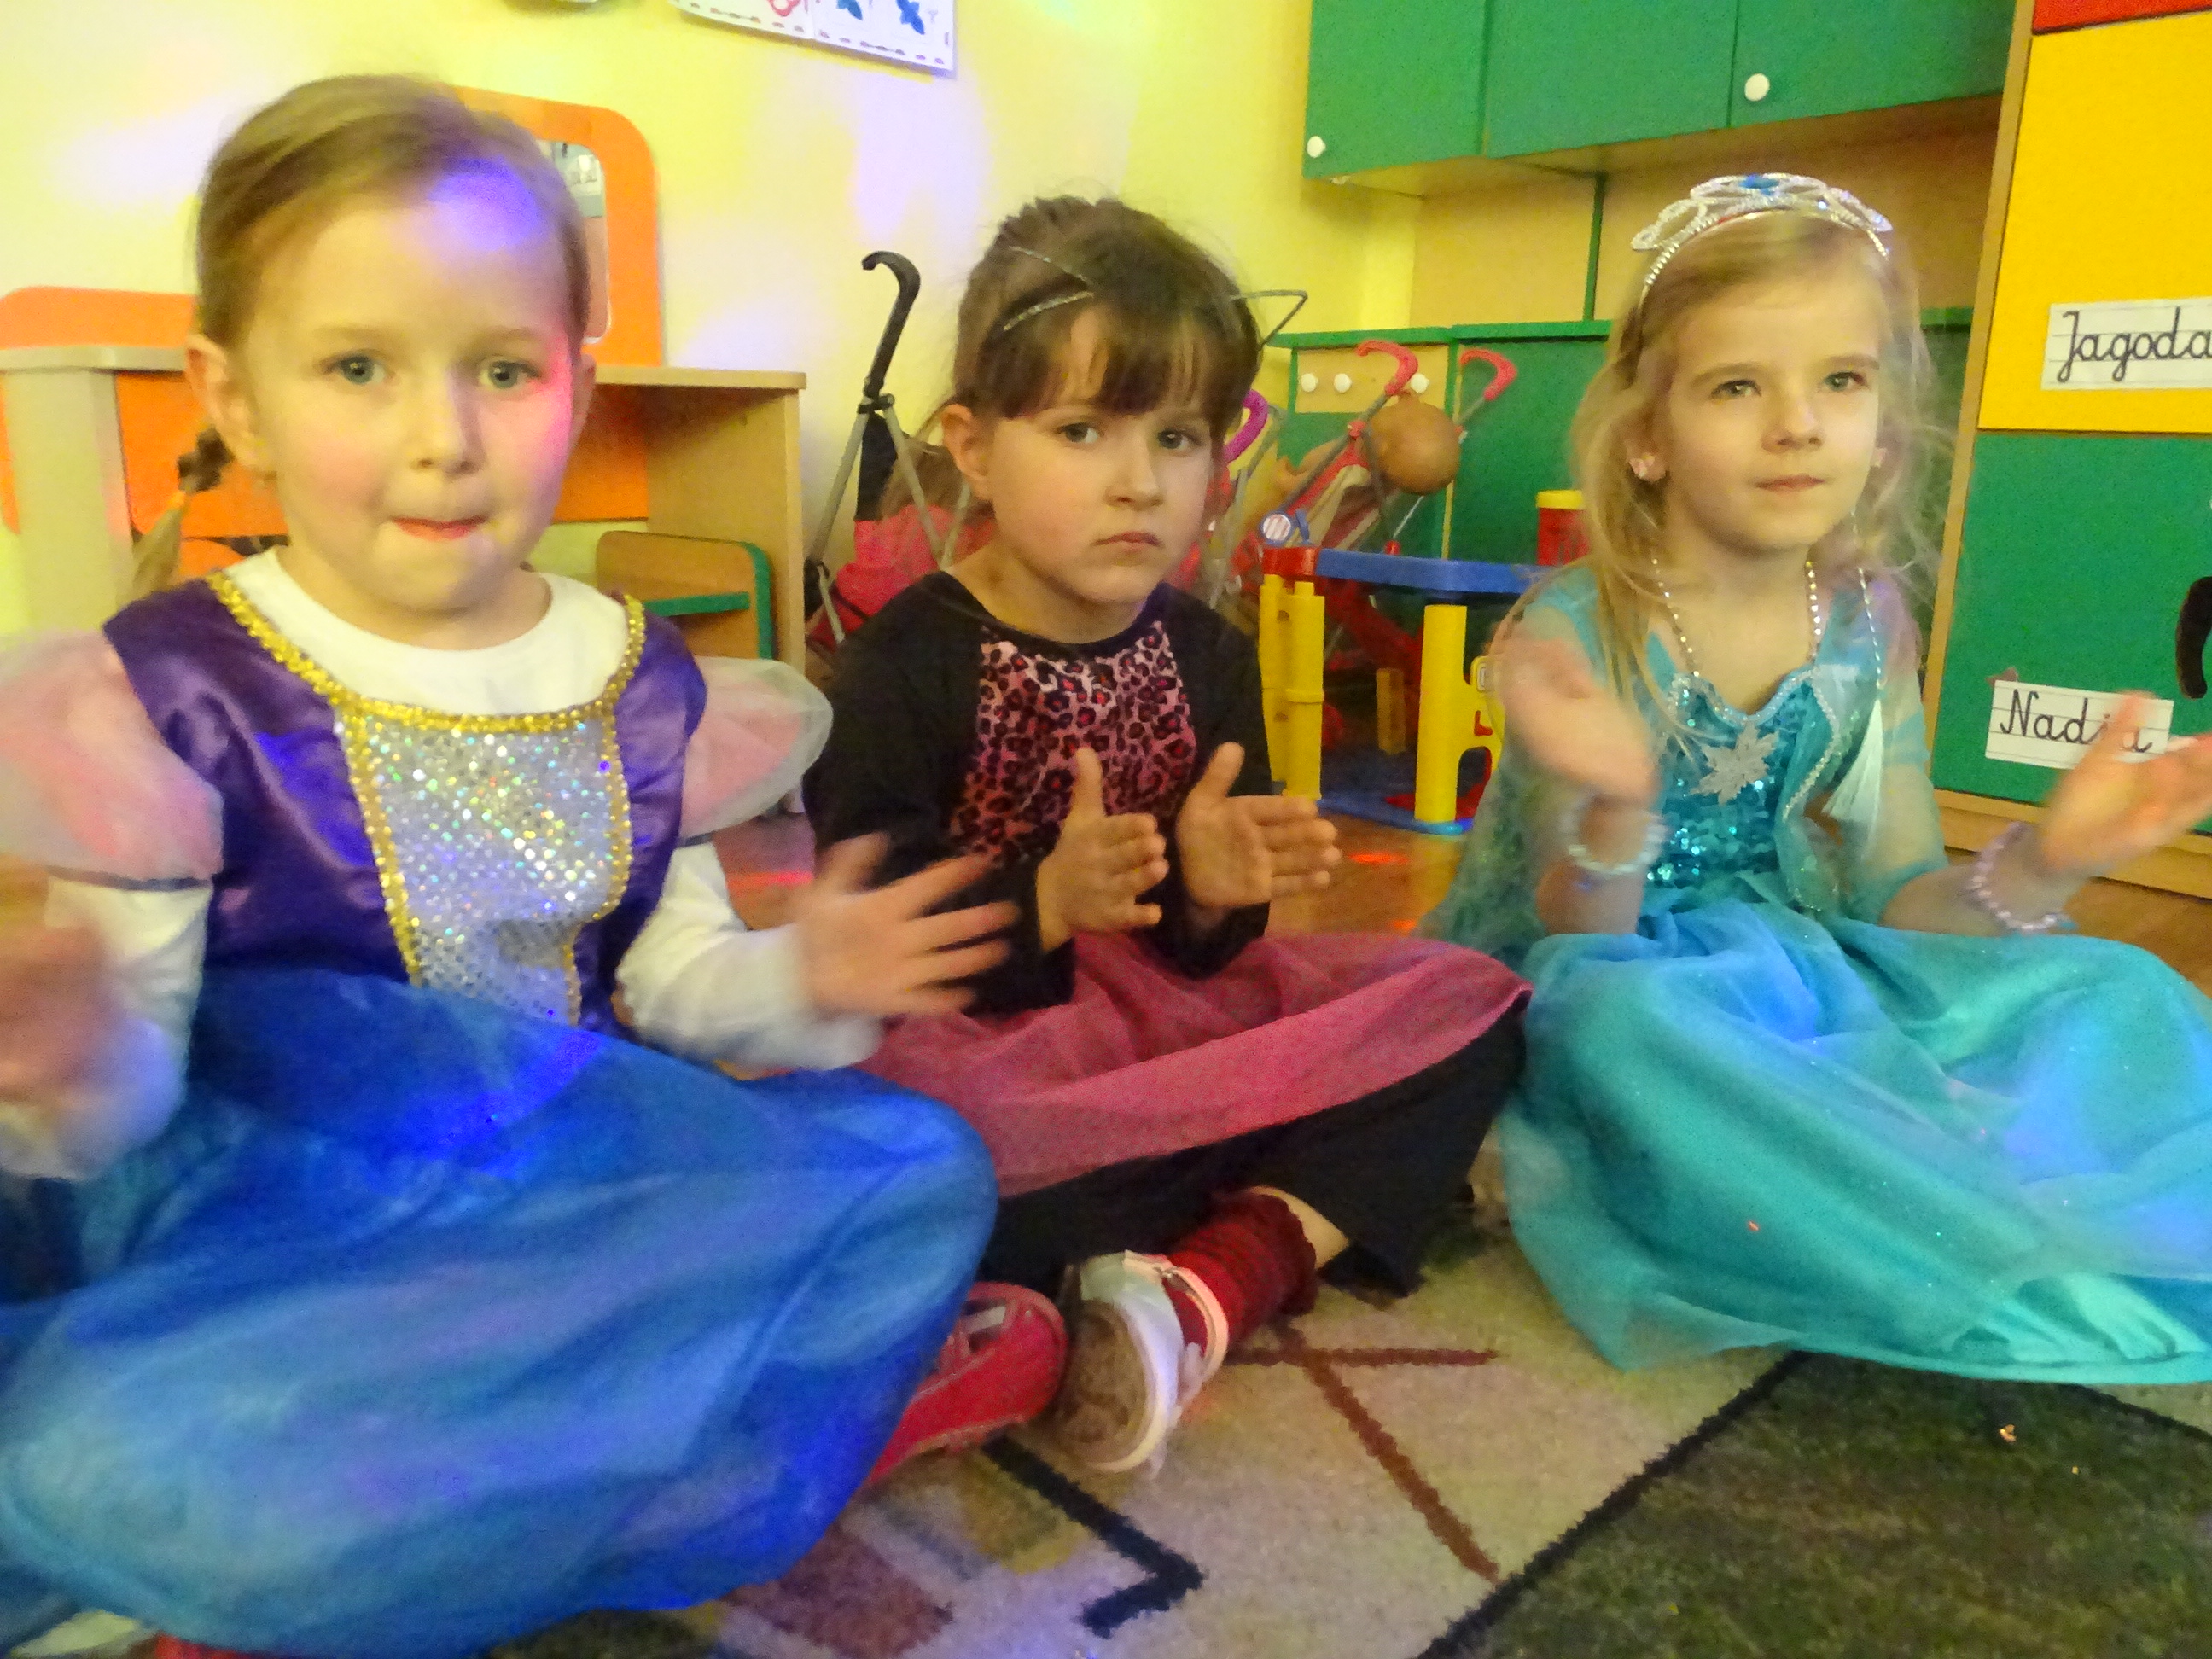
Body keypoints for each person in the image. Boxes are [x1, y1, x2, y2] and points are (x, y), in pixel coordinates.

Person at [0, 75, 1057, 1659]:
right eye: (359, 368)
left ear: (579, 382)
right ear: (236, 398)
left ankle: (472, 1490)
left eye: (503, 370)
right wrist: (74, 1045)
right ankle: (501, 1479)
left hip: (566, 1202)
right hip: (272, 1254)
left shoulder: (645, 682)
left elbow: (680, 988)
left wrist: (807, 978)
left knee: (922, 1171)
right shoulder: (160, 698)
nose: (444, 441)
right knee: (94, 1444)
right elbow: (124, 1113)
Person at [1423, 172, 2212, 1382]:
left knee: (2117, 985)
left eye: (1840, 380)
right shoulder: (1576, 627)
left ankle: (1964, 1199)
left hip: (1791, 963)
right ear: (1647, 435)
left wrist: (2048, 864)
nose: (1798, 425)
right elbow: (1581, 945)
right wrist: (1618, 806)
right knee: (1640, 1030)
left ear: (1882, 422)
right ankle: (1957, 1234)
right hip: (1595, 978)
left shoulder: (1864, 618)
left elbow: (1900, 895)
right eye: (1738, 387)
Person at [806, 195, 1529, 1476]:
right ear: (973, 448)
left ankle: (1208, 1283)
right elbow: (867, 909)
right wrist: (1041, 902)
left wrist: (1210, 889)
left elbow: (1217, 950)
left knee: (1470, 1007)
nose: (1139, 480)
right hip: (985, 1050)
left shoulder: (1209, 654)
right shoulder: (903, 661)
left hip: (1182, 1022)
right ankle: (1195, 1247)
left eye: (1179, 436)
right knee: (929, 1178)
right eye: (1083, 430)